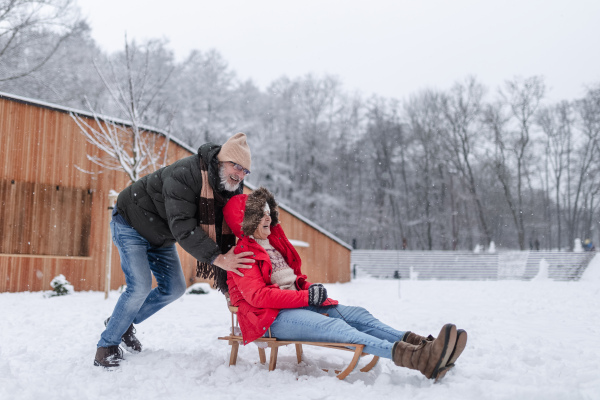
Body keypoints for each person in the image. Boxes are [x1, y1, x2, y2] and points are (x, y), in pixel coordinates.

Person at [223, 187, 468, 381]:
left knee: (359, 316)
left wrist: (309, 289)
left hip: (297, 305)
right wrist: (306, 298)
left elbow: (290, 281)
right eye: (260, 213)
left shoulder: (273, 245)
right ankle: (418, 359)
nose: (268, 216)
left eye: (268, 212)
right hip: (270, 319)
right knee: (341, 330)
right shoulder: (241, 254)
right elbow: (260, 297)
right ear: (246, 221)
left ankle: (425, 347)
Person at [94, 132, 256, 368]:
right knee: (139, 286)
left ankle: (121, 323)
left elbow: (227, 234)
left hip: (161, 235)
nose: (240, 175)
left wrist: (229, 282)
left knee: (175, 288)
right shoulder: (185, 173)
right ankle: (106, 346)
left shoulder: (230, 188)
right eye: (237, 166)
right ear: (222, 160)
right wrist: (218, 259)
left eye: (245, 171)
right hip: (131, 223)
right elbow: (183, 226)